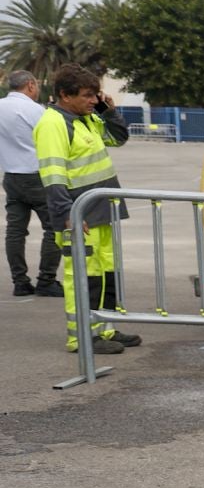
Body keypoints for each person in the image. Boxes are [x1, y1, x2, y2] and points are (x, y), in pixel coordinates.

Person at [32, 65, 138, 354]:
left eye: (95, 95)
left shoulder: (86, 118)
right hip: (80, 215)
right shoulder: (54, 124)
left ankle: (106, 328)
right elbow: (53, 176)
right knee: (83, 277)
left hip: (100, 211)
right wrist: (68, 215)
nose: (93, 100)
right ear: (65, 95)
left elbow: (118, 138)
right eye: (88, 96)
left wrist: (108, 111)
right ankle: (82, 337)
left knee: (106, 274)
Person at [2, 71, 60, 298]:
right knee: (54, 228)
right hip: (37, 176)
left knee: (15, 231)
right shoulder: (36, 110)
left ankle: (20, 281)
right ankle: (46, 280)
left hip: (11, 176)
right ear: (30, 85)